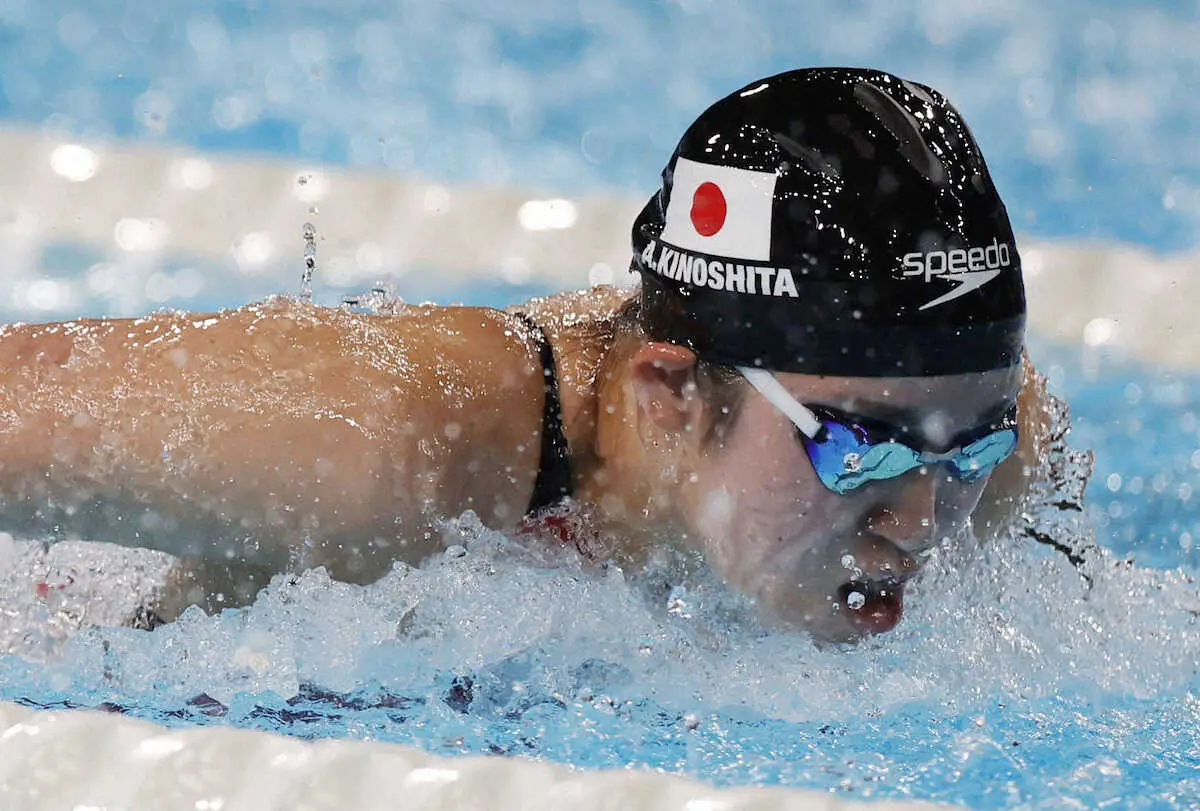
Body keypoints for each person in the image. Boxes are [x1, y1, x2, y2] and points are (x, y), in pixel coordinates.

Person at [0, 67, 1045, 642]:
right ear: (671, 395)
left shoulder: (979, 448)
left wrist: (936, 445)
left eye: (971, 445)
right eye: (862, 450)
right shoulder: (387, 449)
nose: (921, 522)